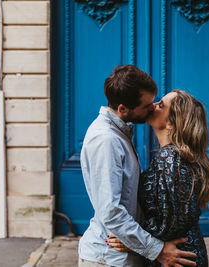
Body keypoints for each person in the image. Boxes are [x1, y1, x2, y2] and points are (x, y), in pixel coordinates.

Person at [78, 65, 197, 267]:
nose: (152, 107)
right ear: (123, 109)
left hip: (122, 256)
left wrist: (135, 243)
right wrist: (156, 249)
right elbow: (111, 212)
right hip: (109, 259)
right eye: (147, 105)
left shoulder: (120, 134)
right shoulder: (106, 140)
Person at [107, 89, 209, 267]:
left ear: (172, 123)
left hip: (177, 258)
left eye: (161, 105)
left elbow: (171, 223)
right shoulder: (175, 156)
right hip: (181, 254)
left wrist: (132, 241)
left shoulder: (171, 158)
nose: (153, 105)